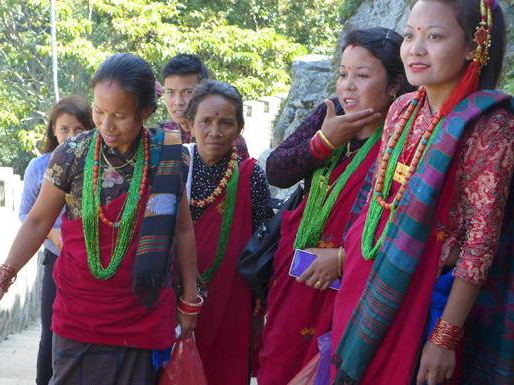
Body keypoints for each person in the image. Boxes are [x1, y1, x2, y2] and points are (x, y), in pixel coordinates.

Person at [0, 53, 200, 385]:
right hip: (79, 312)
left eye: (120, 115)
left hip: (142, 309)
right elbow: (38, 221)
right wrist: (1, 279)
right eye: (99, 112)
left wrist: (188, 300)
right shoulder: (71, 155)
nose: (107, 126)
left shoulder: (167, 154)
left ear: (145, 112)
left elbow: (182, 230)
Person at [331, 1, 514, 384]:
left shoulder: (489, 127)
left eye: (434, 36)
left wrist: (445, 337)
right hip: (373, 280)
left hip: (430, 299)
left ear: (473, 46)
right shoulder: (401, 110)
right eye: (410, 34)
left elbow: (479, 244)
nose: (415, 48)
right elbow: (378, 202)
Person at [257, 27, 413, 385]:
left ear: (393, 85)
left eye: (362, 75)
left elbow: (401, 216)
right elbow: (277, 170)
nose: (348, 86)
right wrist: (324, 142)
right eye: (343, 74)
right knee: (278, 362)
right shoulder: (330, 113)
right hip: (298, 270)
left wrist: (343, 258)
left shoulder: (403, 134)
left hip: (351, 279)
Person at [184, 80, 272, 385]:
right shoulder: (173, 167)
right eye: (206, 121)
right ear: (190, 124)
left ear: (239, 129)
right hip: (174, 292)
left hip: (231, 296)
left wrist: (259, 304)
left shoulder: (250, 175)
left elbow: (263, 243)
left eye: (226, 122)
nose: (215, 131)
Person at [19, 95, 92, 385]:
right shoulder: (39, 167)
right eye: (64, 129)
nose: (71, 136)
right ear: (53, 131)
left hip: (92, 263)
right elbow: (27, 214)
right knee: (51, 332)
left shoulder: (101, 167)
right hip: (55, 258)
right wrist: (54, 233)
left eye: (79, 129)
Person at [160, 54, 209, 143]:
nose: (178, 102)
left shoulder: (221, 137)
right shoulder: (162, 135)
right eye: (171, 92)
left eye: (188, 92)